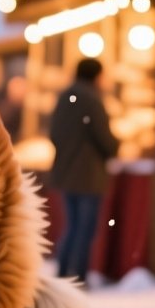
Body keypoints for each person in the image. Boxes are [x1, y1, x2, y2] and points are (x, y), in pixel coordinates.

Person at [47, 58, 119, 283]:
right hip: (88, 174)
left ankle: (63, 271)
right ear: (96, 76)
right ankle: (78, 276)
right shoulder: (92, 99)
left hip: (66, 172)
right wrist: (115, 146)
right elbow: (105, 139)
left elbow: (54, 134)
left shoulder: (65, 96)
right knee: (84, 229)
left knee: (72, 225)